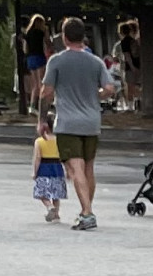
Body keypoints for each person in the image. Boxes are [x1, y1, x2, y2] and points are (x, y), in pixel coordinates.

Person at [40, 18, 110, 231]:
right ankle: (85, 209)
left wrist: (42, 119)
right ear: (83, 37)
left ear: (64, 36)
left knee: (75, 167)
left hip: (68, 122)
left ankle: (87, 213)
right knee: (88, 167)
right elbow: (109, 88)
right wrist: (94, 95)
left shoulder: (57, 61)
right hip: (91, 121)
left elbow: (47, 92)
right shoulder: (95, 61)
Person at [31, 101, 68, 223]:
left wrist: (34, 172)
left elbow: (37, 158)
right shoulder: (59, 140)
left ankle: (49, 206)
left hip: (44, 168)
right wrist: (68, 170)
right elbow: (64, 156)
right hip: (57, 168)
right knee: (56, 193)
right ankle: (56, 214)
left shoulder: (40, 141)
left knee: (41, 192)